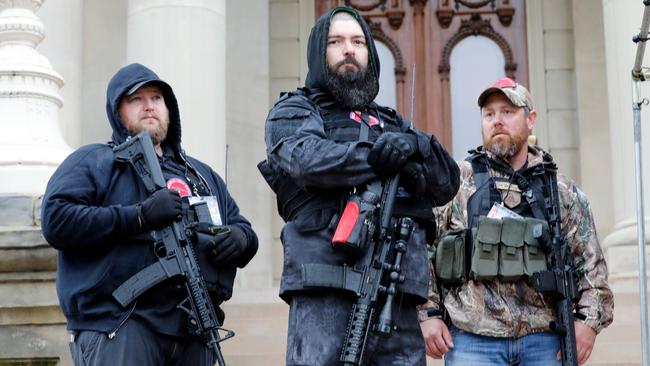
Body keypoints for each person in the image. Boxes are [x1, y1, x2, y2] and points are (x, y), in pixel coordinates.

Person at [260, 6, 460, 366]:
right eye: (336, 42)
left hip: (394, 295)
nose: (349, 49)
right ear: (319, 53)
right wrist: (378, 156)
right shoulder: (294, 110)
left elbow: (446, 182)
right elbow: (308, 160)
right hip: (325, 290)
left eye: (357, 41)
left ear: (369, 53)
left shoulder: (394, 122)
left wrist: (417, 145)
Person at [41, 63, 258, 366]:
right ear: (117, 112)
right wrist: (138, 217)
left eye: (156, 98)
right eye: (135, 100)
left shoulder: (201, 174)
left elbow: (241, 226)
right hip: (120, 326)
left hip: (196, 330)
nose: (148, 106)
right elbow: (56, 219)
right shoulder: (95, 161)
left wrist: (242, 240)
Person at [420, 77, 614, 365]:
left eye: (508, 112)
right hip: (472, 339)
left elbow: (591, 266)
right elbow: (422, 249)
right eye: (489, 114)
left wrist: (587, 323)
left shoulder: (561, 190)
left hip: (545, 339)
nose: (497, 120)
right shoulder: (456, 182)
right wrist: (427, 314)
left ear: (530, 119)